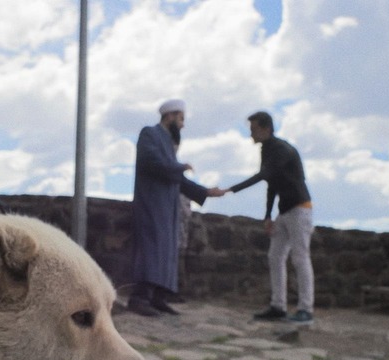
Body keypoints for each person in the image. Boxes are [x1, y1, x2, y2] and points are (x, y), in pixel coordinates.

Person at [128, 99, 225, 317]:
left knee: (165, 251)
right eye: (180, 119)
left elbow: (176, 179)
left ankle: (158, 297)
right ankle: (140, 297)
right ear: (169, 116)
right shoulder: (150, 134)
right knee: (151, 250)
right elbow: (151, 162)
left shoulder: (168, 144)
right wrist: (179, 166)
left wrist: (206, 191)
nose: (182, 125)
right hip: (151, 204)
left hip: (167, 208)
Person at [224, 111, 314, 324]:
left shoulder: (281, 149)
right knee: (275, 256)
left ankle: (306, 309)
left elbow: (264, 175)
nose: (251, 135)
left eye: (254, 130)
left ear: (266, 129)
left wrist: (230, 189)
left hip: (300, 208)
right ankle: (278, 306)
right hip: (285, 211)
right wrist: (267, 215)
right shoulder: (268, 149)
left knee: (300, 258)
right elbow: (271, 183)